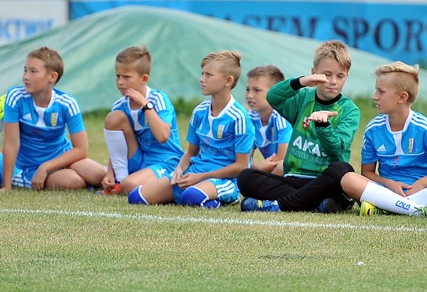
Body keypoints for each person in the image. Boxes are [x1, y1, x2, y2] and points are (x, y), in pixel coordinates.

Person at [238, 40, 360, 213]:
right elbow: (273, 97)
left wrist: (323, 125)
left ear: (346, 76)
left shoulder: (350, 110)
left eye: (340, 76)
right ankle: (316, 204)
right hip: (295, 178)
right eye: (326, 74)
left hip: (326, 182)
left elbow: (336, 149)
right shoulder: (302, 98)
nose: (333, 81)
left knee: (342, 169)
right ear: (314, 73)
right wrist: (301, 82)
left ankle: (279, 205)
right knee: (246, 177)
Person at [339, 62, 427, 218]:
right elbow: (367, 172)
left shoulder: (424, 128)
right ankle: (416, 210)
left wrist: (423, 183)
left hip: (422, 191)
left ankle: (386, 208)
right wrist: (389, 184)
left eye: (381, 91)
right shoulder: (373, 129)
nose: (375, 96)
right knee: (348, 179)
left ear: (402, 97)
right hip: (386, 191)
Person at [127, 50, 254, 208]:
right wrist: (179, 169)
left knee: (191, 195)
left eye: (208, 75)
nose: (201, 79)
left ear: (228, 81)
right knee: (136, 197)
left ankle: (224, 197)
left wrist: (202, 176)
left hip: (223, 180)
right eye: (202, 73)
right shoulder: (199, 112)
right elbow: (190, 153)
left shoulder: (239, 117)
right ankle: (200, 198)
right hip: (194, 173)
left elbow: (241, 167)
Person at [1, 47, 105, 191]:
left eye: (33, 71)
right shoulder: (15, 98)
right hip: (31, 168)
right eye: (25, 70)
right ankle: (22, 179)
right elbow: (11, 144)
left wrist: (46, 167)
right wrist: (6, 186)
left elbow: (81, 149)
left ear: (52, 77)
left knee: (100, 175)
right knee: (74, 181)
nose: (26, 76)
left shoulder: (67, 103)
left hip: (61, 159)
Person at [100, 46, 184, 196]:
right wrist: (110, 172)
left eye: (126, 77)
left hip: (165, 161)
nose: (120, 82)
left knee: (130, 186)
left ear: (144, 79)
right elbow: (118, 147)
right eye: (117, 76)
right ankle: (119, 180)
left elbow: (163, 136)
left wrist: (145, 104)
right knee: (114, 118)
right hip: (138, 159)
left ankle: (128, 183)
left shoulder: (158, 99)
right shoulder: (119, 105)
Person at [245, 65, 292, 175]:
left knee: (281, 167)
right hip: (271, 170)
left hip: (292, 169)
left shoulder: (282, 116)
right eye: (248, 89)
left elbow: (283, 158)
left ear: (275, 93)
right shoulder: (250, 118)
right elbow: (244, 157)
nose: (249, 95)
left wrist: (259, 170)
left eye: (257, 90)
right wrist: (259, 167)